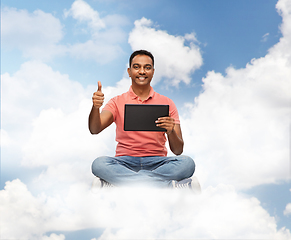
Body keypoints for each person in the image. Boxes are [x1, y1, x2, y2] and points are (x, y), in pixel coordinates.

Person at [89, 50, 196, 188]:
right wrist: (95, 107)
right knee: (99, 164)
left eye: (147, 67)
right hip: (124, 162)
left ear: (153, 71)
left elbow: (178, 150)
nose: (142, 71)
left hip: (158, 163)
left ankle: (122, 183)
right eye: (136, 67)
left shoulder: (168, 103)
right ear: (129, 71)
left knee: (187, 163)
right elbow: (94, 129)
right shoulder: (116, 101)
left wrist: (171, 132)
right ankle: (165, 185)